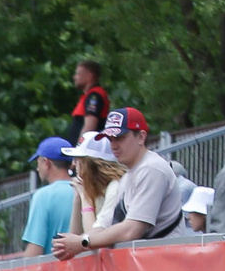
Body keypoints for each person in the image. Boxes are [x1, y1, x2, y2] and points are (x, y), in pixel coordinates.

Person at [50, 108, 185, 258]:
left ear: (141, 137)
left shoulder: (151, 168)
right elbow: (103, 227)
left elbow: (132, 230)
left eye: (120, 137)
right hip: (151, 266)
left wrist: (82, 242)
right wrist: (72, 244)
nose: (113, 144)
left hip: (165, 265)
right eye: (110, 138)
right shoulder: (128, 176)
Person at [21, 139, 78, 255]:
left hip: (57, 270)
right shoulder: (86, 189)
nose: (37, 169)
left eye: (38, 162)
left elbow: (34, 251)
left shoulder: (43, 196)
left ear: (46, 163)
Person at [70, 59, 111, 143]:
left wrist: (79, 150)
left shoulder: (94, 96)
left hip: (85, 151)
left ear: (89, 76)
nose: (74, 77)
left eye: (78, 74)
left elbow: (90, 126)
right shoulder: (89, 95)